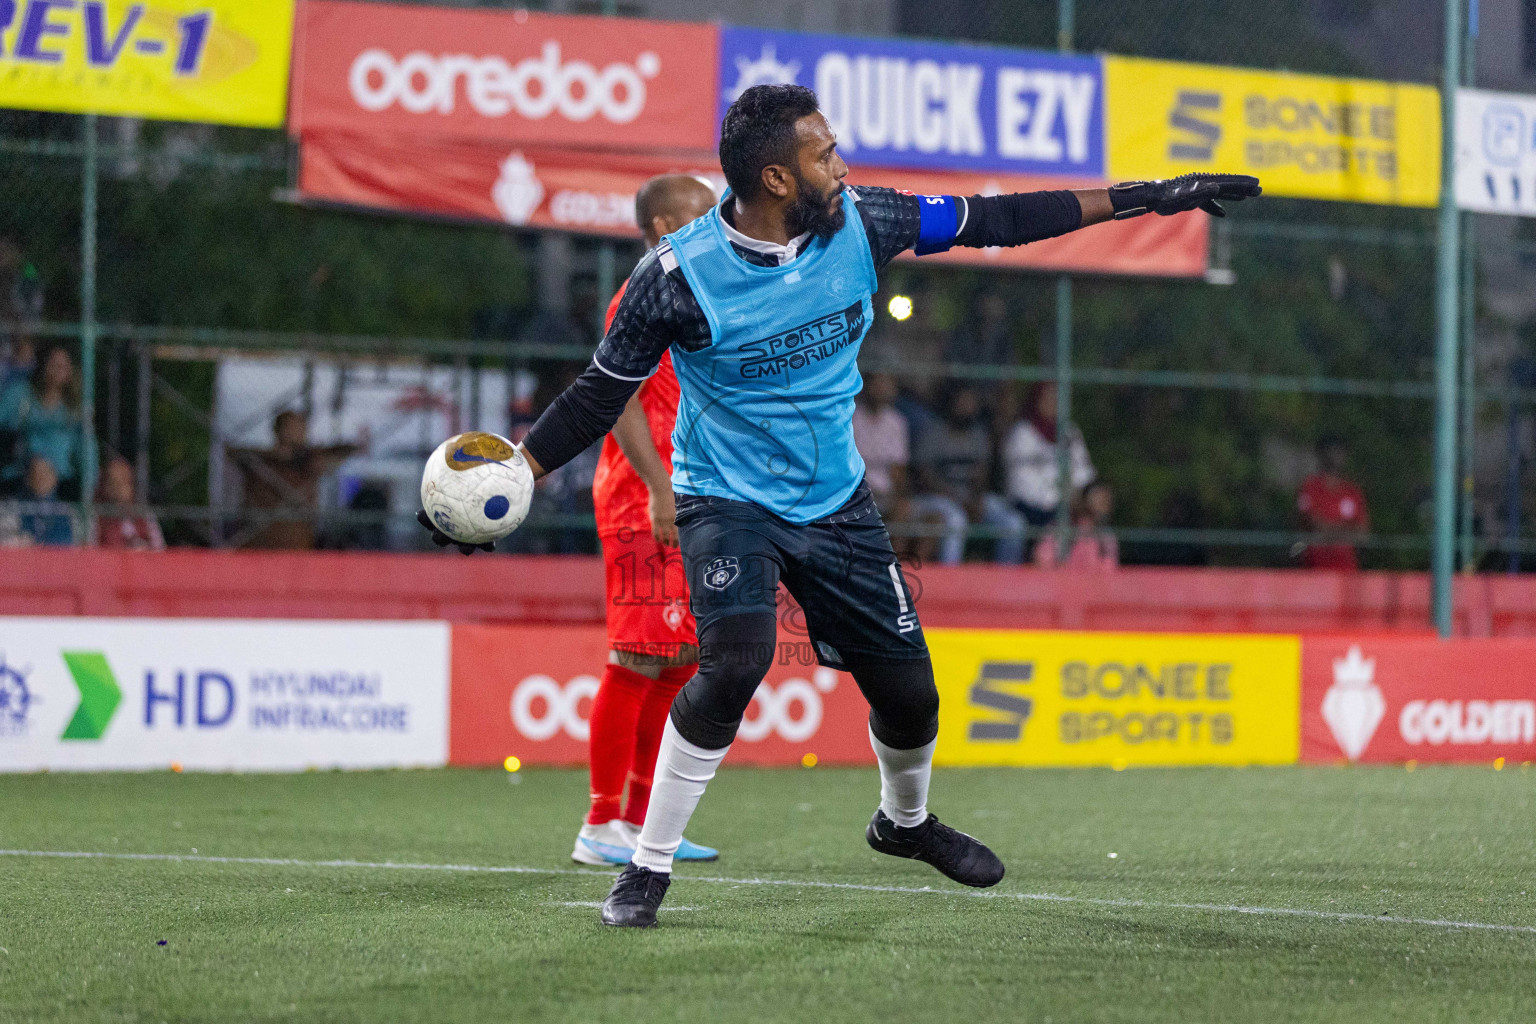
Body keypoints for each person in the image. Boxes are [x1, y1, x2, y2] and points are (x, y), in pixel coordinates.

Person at [419, 84, 1259, 927]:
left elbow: (998, 218)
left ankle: (904, 824)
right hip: (726, 497)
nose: (842, 163)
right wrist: (517, 474)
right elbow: (602, 394)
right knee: (735, 662)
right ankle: (645, 865)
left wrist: (1144, 198)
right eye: (825, 153)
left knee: (912, 697)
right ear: (778, 178)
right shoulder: (674, 279)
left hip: (834, 500)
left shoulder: (867, 222)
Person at [573, 174, 720, 868]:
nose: (716, 226)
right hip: (642, 498)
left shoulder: (695, 291)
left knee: (678, 661)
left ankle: (640, 819)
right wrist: (659, 488)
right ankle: (600, 822)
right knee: (635, 657)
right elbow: (617, 399)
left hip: (687, 495)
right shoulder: (639, 292)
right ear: (663, 225)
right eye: (701, 217)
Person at [909, 384, 1025, 564]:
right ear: (951, 403)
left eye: (971, 402)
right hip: (938, 498)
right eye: (962, 402)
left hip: (969, 498)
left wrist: (975, 500)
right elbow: (925, 478)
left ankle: (1007, 582)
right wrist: (957, 499)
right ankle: (951, 580)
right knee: (956, 520)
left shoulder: (978, 435)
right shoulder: (933, 433)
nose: (966, 407)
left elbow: (981, 476)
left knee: (1014, 522)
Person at [229, 410, 363, 550]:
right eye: (295, 427)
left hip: (298, 542)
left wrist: (300, 456)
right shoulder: (259, 461)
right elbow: (232, 452)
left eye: (303, 428)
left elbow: (344, 452)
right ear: (279, 431)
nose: (302, 432)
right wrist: (280, 456)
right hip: (260, 542)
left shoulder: (309, 460)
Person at [1003, 382, 1095, 532]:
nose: (1053, 403)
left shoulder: (1070, 432)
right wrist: (1060, 498)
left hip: (1070, 504)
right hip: (1032, 507)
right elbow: (1022, 484)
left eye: (1057, 399)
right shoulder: (1022, 433)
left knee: (1090, 519)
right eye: (1047, 398)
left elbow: (1084, 471)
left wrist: (1078, 494)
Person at [0, 345, 83, 498]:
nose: (58, 370)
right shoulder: (21, 395)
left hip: (60, 484)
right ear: (43, 366)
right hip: (20, 478)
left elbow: (86, 446)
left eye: (63, 366)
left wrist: (88, 484)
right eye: (54, 364)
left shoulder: (74, 409)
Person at [1296, 436, 1369, 570]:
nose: (1337, 455)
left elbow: (1362, 533)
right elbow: (1314, 524)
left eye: (1340, 451)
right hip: (1315, 566)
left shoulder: (1352, 491)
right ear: (1322, 453)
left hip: (1346, 569)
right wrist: (1346, 530)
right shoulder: (1310, 487)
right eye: (1332, 450)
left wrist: (1330, 532)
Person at [850, 372, 910, 518]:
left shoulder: (897, 422)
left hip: (885, 495)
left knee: (903, 511)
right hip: (854, 492)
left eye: (886, 384)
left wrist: (897, 498)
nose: (880, 388)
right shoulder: (850, 418)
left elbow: (898, 470)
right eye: (877, 383)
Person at [1033, 481, 1118, 570]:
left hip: (1093, 581)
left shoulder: (1106, 534)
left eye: (1104, 501)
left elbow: (1110, 567)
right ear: (1084, 500)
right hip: (1062, 580)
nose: (1101, 503)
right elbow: (1043, 559)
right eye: (1098, 499)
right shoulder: (1062, 526)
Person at [0, 455, 76, 547]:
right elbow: (7, 542)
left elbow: (81, 543)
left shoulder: (68, 510)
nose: (41, 478)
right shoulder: (12, 508)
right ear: (27, 479)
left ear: (55, 478)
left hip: (61, 558)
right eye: (35, 473)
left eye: (46, 473)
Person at [94, 455, 164, 551]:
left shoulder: (145, 516)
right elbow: (91, 551)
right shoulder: (97, 518)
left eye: (122, 482)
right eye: (113, 483)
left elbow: (160, 549)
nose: (118, 489)